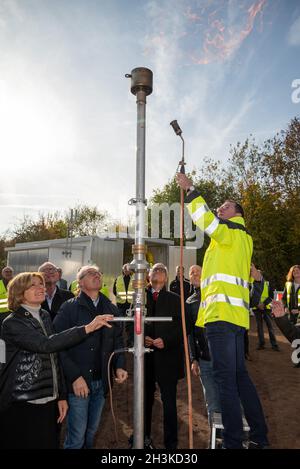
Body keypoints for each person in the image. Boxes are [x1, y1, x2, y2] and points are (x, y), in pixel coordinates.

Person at [177, 173, 269, 450]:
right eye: (220, 207)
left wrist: (191, 191)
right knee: (239, 377)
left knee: (225, 380)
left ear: (237, 214)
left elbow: (206, 220)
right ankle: (259, 437)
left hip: (222, 318)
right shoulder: (236, 239)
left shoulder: (232, 232)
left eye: (226, 206)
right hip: (232, 320)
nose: (220, 209)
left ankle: (232, 442)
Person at [0, 272, 112, 449]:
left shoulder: (44, 315)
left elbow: (55, 356)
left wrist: (60, 395)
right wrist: (87, 328)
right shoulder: (13, 323)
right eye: (33, 285)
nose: (41, 288)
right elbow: (45, 345)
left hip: (48, 400)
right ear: (19, 292)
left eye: (41, 284)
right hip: (24, 402)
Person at [53, 265, 128, 449]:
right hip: (79, 383)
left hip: (101, 382)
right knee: (76, 436)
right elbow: (57, 345)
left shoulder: (110, 308)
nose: (96, 275)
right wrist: (75, 377)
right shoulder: (69, 308)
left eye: (98, 273)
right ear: (80, 282)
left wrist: (119, 365)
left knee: (91, 431)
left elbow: (118, 340)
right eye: (90, 273)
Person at [143, 263, 184, 450]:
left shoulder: (175, 299)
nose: (158, 274)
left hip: (168, 360)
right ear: (148, 276)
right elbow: (130, 323)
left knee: (169, 404)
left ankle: (171, 444)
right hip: (146, 360)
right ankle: (143, 438)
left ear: (166, 278)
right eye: (154, 271)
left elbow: (182, 327)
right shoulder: (140, 298)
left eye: (162, 271)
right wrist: (141, 338)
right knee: (144, 402)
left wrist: (165, 340)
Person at [186, 265, 221, 433]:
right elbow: (190, 334)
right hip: (204, 359)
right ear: (190, 278)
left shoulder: (217, 293)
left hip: (223, 356)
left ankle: (235, 435)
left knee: (230, 396)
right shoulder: (190, 301)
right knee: (212, 400)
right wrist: (193, 359)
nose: (195, 274)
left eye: (198, 270)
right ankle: (215, 438)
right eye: (192, 272)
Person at [252, 271, 279, 351]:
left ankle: (274, 345)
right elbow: (251, 296)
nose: (257, 275)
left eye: (258, 274)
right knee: (259, 327)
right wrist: (257, 304)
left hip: (266, 308)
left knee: (270, 326)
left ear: (261, 275)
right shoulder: (252, 284)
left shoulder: (267, 283)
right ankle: (261, 344)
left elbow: (271, 296)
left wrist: (263, 304)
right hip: (256, 308)